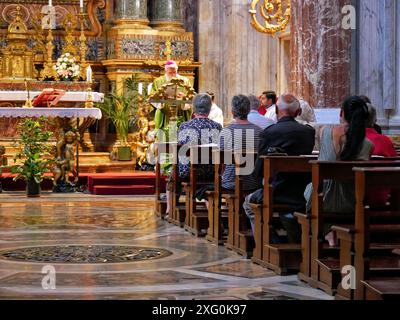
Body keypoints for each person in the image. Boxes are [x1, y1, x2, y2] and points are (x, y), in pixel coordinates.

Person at [243, 94, 316, 243]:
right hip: (303, 192)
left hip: (277, 192)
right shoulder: (308, 132)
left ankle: (270, 243)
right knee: (287, 211)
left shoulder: (269, 133)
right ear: (298, 112)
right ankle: (291, 239)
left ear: (276, 109)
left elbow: (258, 172)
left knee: (248, 203)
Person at [304, 96, 374, 246]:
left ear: (341, 113)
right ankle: (334, 233)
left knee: (307, 191)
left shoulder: (324, 132)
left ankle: (328, 232)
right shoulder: (368, 144)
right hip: (352, 201)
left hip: (322, 198)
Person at [165, 93, 222, 217]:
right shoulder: (217, 127)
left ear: (193, 108)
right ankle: (212, 213)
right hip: (212, 171)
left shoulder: (185, 126)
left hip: (189, 172)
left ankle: (170, 209)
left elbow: (182, 152)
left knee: (174, 174)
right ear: (209, 108)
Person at [150, 60, 193, 130]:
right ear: (166, 71)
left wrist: (184, 97)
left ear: (177, 70)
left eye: (174, 72)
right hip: (164, 112)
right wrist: (161, 101)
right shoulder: (158, 81)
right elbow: (151, 98)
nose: (173, 75)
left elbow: (191, 96)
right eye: (170, 73)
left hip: (180, 112)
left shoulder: (185, 80)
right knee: (163, 135)